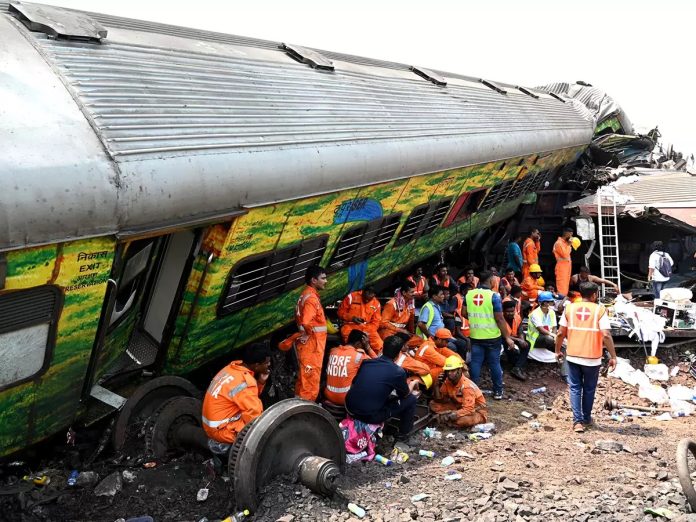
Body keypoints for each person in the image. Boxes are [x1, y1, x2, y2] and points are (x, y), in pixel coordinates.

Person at [555, 282, 617, 433]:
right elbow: (606, 335)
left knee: (575, 388)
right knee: (589, 389)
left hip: (573, 355)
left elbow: (560, 333)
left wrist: (557, 350)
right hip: (592, 357)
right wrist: (613, 356)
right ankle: (587, 418)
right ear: (595, 294)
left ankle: (577, 422)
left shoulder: (569, 308)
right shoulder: (600, 310)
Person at [345, 335, 418, 442]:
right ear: (398, 354)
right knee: (411, 399)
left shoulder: (366, 363)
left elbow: (355, 383)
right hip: (368, 416)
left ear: (382, 349)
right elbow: (404, 394)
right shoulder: (397, 372)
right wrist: (413, 382)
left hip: (349, 408)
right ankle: (403, 434)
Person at [202, 343, 271, 453]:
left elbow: (246, 396)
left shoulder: (231, 369)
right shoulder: (245, 382)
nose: (269, 365)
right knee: (264, 426)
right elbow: (254, 416)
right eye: (266, 363)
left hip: (210, 426)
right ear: (257, 365)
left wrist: (261, 382)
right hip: (222, 431)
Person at [462, 270, 515, 400]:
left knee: (475, 363)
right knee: (494, 363)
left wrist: (476, 320)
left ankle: (473, 392)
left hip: (475, 336)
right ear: (491, 281)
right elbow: (499, 319)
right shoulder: (494, 296)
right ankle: (497, 391)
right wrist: (507, 337)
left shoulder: (469, 294)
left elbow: (463, 312)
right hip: (492, 337)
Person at [295, 265, 328, 401]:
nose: (326, 281)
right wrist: (310, 336)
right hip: (312, 346)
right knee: (310, 380)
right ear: (314, 280)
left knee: (303, 379)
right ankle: (307, 411)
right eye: (323, 278)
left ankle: (299, 406)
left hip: (309, 344)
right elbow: (306, 322)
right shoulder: (311, 299)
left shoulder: (306, 295)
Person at [430, 356, 488, 428]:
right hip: (458, 406)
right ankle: (450, 421)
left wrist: (452, 415)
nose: (449, 374)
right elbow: (440, 399)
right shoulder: (448, 381)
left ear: (459, 370)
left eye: (452, 371)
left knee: (462, 420)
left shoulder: (467, 386)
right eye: (448, 371)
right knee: (433, 404)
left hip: (475, 411)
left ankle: (450, 423)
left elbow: (469, 409)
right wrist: (436, 385)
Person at [324, 330, 375, 406]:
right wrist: (368, 347)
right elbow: (378, 365)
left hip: (328, 395)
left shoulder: (333, 351)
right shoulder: (358, 355)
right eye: (362, 345)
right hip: (345, 398)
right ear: (358, 343)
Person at [338, 286, 383, 353]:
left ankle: (378, 361)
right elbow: (340, 312)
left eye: (369, 299)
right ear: (362, 292)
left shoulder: (376, 304)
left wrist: (367, 331)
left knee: (379, 345)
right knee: (352, 343)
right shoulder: (352, 297)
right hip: (350, 325)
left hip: (368, 328)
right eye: (365, 298)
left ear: (374, 296)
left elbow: (376, 322)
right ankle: (353, 357)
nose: (366, 300)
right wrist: (352, 318)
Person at [526, 291, 558, 364]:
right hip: (535, 338)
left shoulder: (551, 312)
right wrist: (553, 336)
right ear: (545, 303)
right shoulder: (535, 313)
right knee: (549, 339)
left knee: (560, 337)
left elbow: (554, 326)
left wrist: (555, 335)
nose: (553, 303)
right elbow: (541, 329)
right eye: (551, 301)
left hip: (548, 334)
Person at [502, 300, 529, 380]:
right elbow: (502, 335)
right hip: (504, 339)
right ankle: (517, 366)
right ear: (503, 311)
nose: (510, 313)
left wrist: (522, 340)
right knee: (509, 347)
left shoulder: (517, 317)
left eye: (512, 311)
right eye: (508, 311)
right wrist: (518, 340)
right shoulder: (500, 319)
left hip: (515, 338)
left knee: (527, 344)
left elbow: (520, 330)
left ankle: (517, 367)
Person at [553, 227, 574, 296]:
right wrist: (569, 245)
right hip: (561, 267)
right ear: (566, 233)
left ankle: (564, 299)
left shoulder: (565, 243)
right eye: (570, 234)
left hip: (566, 267)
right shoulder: (559, 243)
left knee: (566, 284)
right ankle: (561, 301)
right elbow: (565, 254)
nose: (571, 236)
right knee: (562, 285)